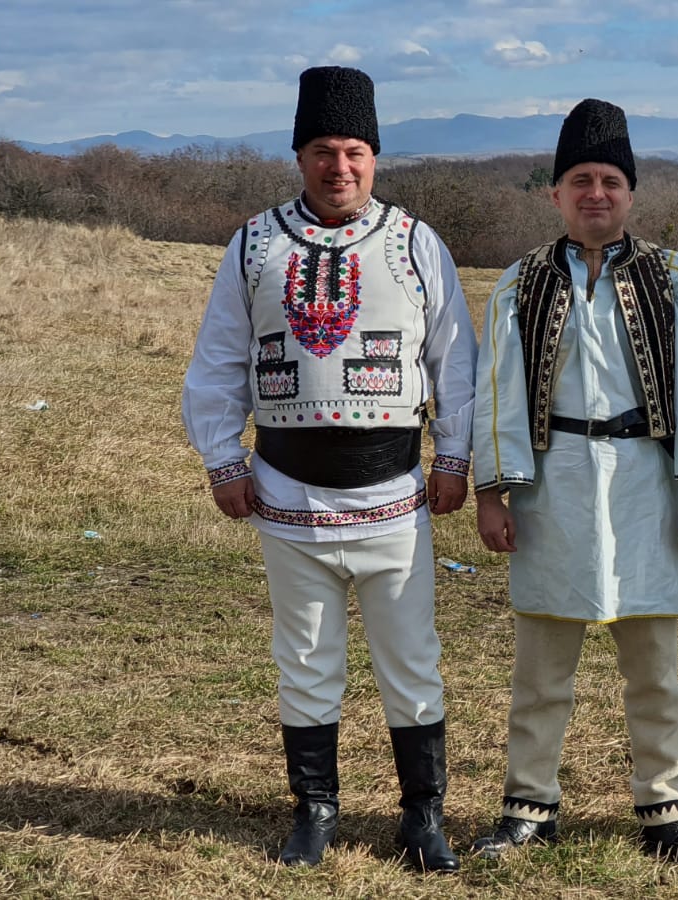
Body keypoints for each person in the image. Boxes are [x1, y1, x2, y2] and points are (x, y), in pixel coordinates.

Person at [181, 65, 476, 873]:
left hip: (395, 497)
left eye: (353, 151)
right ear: (299, 156)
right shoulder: (255, 244)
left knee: (411, 660)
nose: (338, 167)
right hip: (286, 496)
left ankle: (422, 817)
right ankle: (314, 810)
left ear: (374, 157)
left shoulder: (415, 242)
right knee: (306, 660)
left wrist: (454, 457)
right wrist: (222, 459)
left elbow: (454, 361)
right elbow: (218, 360)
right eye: (322, 151)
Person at [468, 98, 678, 866]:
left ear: (631, 193)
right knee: (542, 667)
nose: (596, 193)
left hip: (649, 484)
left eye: (611, 180)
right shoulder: (521, 284)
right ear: (556, 193)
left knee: (654, 668)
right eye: (581, 180)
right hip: (554, 485)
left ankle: (664, 810)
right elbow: (496, 392)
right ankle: (529, 806)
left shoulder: (675, 280)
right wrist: (492, 492)